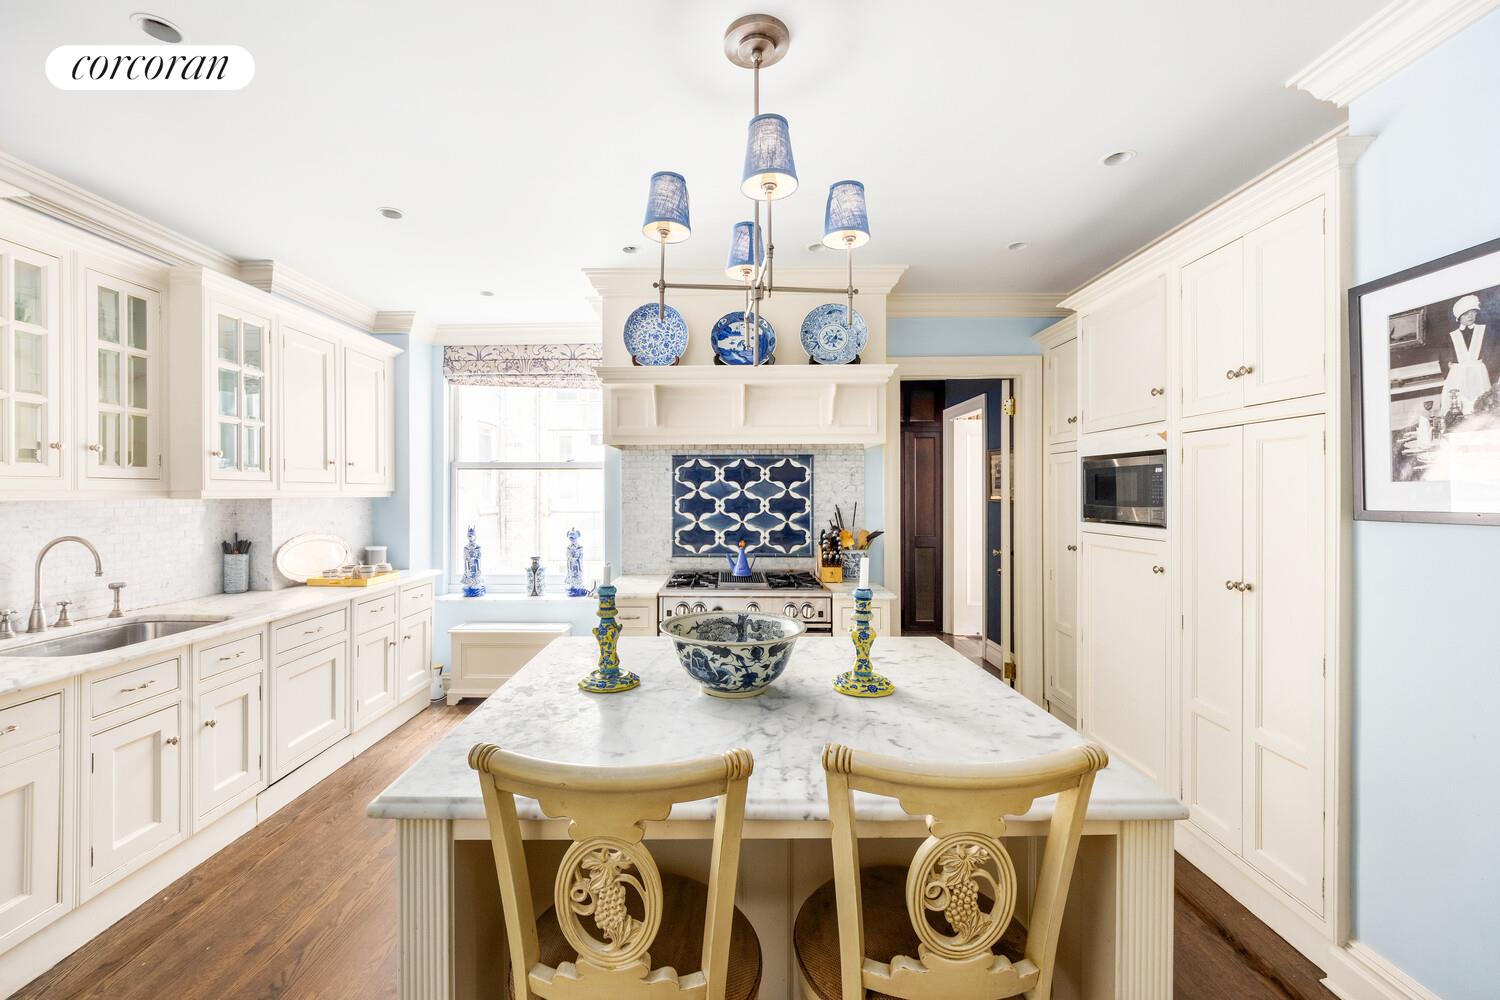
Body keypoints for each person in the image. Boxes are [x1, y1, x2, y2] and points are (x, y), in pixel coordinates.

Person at [1441, 294, 1491, 415]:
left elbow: (1491, 354)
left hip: (1479, 375)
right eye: (1466, 313)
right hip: (1458, 377)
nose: (1470, 316)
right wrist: (1453, 372)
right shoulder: (1451, 335)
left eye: (1473, 312)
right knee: (1459, 408)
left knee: (1483, 407)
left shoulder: (1483, 330)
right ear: (1459, 316)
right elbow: (1443, 361)